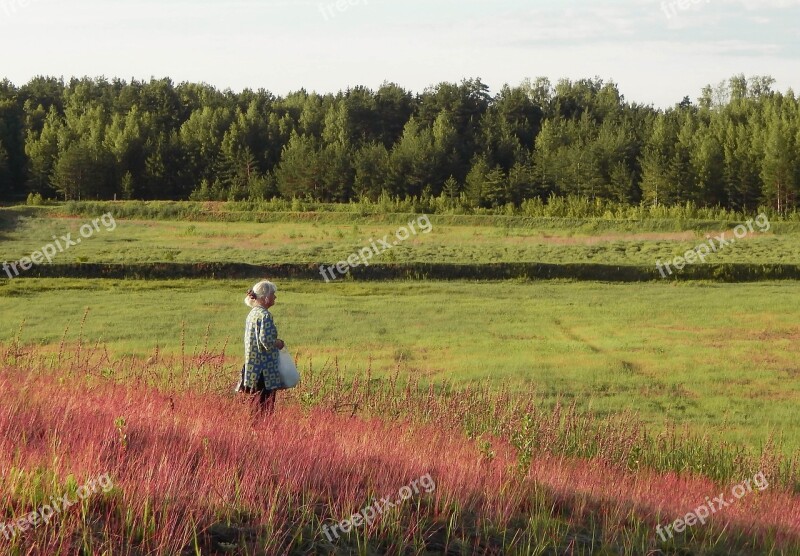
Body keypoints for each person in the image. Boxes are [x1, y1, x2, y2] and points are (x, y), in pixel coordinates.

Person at [239, 280, 285, 417]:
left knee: (254, 407)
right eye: (273, 294)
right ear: (265, 297)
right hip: (265, 370)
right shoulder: (265, 316)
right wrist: (278, 343)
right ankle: (264, 434)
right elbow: (266, 341)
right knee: (265, 409)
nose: (275, 297)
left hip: (253, 368)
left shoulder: (252, 314)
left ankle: (253, 435)